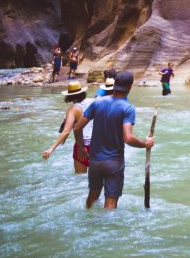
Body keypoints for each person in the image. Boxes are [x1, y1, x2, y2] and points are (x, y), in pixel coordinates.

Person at [66, 71, 152, 209]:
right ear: (130, 87)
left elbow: (76, 128)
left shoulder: (98, 102)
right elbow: (128, 138)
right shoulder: (128, 108)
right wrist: (145, 143)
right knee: (110, 203)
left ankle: (87, 221)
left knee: (92, 196)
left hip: (94, 161)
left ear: (114, 85)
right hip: (114, 162)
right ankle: (106, 227)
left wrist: (81, 148)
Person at [41, 81, 91, 174]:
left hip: (82, 147)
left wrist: (51, 149)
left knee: (80, 179)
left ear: (69, 96)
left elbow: (66, 131)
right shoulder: (93, 102)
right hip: (98, 146)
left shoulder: (73, 110)